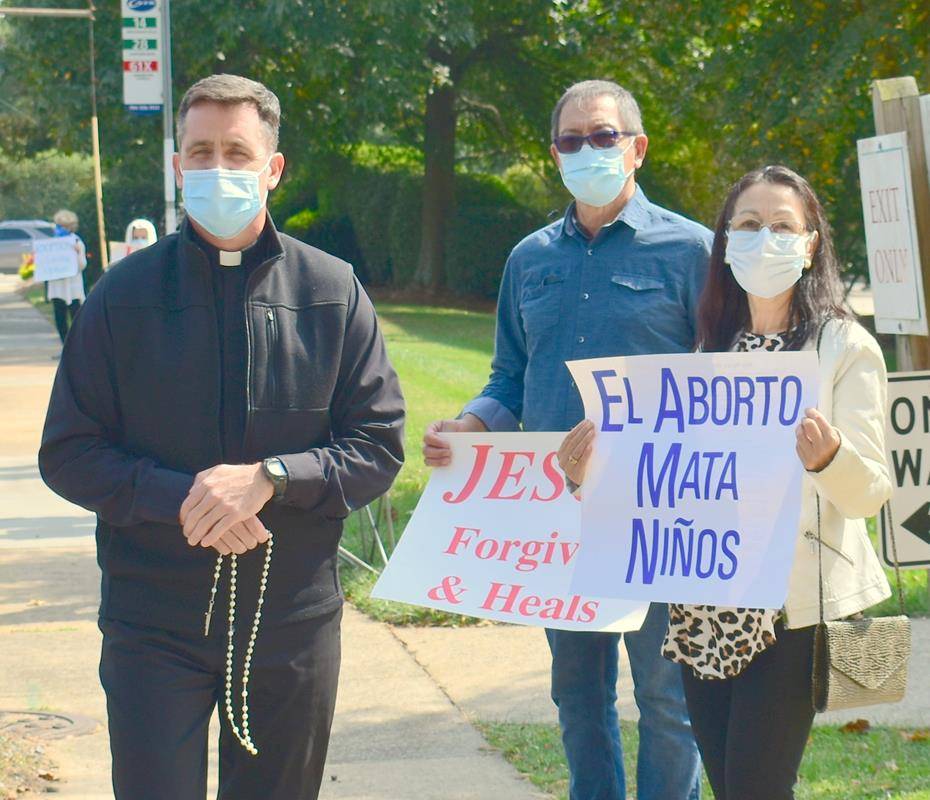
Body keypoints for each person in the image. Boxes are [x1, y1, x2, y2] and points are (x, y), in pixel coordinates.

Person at [39, 74, 405, 800]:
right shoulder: (122, 295)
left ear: (273, 168)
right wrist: (190, 500)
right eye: (200, 151)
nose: (217, 168)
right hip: (154, 619)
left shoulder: (332, 291)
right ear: (177, 167)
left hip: (290, 620)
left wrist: (270, 477)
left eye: (238, 152)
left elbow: (377, 446)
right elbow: (69, 452)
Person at [558, 165, 892, 800]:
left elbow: (870, 493)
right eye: (747, 224)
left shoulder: (843, 347)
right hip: (704, 607)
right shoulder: (707, 345)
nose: (764, 238)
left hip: (789, 610)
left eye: (781, 226)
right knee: (729, 783)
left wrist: (828, 457)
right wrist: (587, 478)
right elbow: (666, 479)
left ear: (811, 242)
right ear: (725, 241)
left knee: (755, 788)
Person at [423, 79, 708, 800]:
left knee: (669, 700)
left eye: (603, 136)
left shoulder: (693, 252)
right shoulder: (529, 259)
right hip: (555, 515)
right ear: (555, 155)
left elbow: (717, 387)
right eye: (572, 140)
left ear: (637, 148)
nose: (587, 149)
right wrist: (472, 423)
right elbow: (508, 377)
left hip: (658, 514)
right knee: (577, 696)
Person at [46, 209, 87, 343]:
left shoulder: (77, 242)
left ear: (71, 227)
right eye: (59, 225)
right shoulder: (51, 244)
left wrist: (77, 253)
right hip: (57, 287)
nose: (60, 229)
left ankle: (76, 347)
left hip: (73, 288)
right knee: (60, 318)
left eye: (63, 226)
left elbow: (82, 265)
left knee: (76, 318)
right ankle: (65, 346)